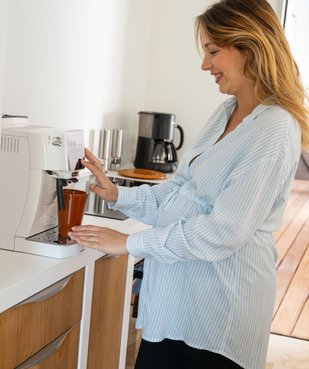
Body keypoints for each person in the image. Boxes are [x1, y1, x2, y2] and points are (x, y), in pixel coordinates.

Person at [69, 0, 309, 368]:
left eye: (213, 51)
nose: (205, 65)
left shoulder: (274, 127)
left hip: (218, 312)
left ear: (250, 46)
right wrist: (119, 194)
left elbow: (223, 231)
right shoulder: (227, 112)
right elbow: (183, 189)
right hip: (176, 306)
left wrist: (131, 243)